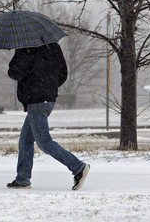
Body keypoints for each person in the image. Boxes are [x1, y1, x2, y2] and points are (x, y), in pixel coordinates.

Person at [7, 42, 90, 190]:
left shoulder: (26, 49)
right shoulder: (53, 46)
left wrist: (17, 55)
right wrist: (48, 87)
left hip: (36, 101)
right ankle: (22, 178)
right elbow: (63, 74)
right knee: (25, 140)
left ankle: (78, 167)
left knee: (44, 142)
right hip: (47, 99)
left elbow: (15, 73)